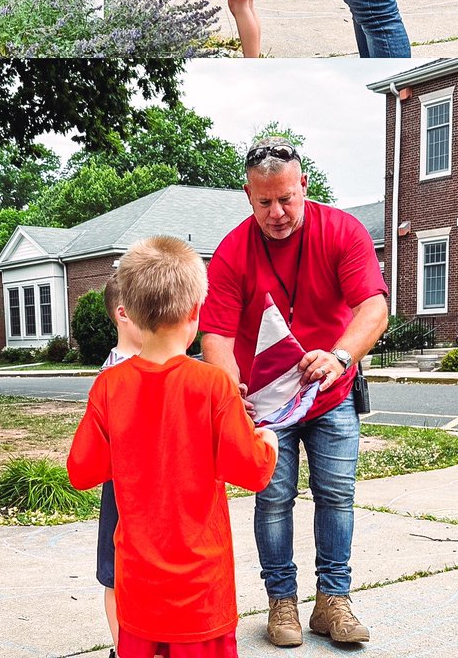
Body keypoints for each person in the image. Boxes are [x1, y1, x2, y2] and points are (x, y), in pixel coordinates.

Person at [200, 137, 389, 647]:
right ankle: (281, 602)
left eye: (286, 198)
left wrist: (340, 356)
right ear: (248, 196)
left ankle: (333, 601)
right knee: (274, 499)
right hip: (266, 405)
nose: (277, 212)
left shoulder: (343, 231)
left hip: (331, 392)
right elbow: (214, 333)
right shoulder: (232, 251)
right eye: (265, 202)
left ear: (303, 184)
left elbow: (373, 307)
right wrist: (226, 386)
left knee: (337, 496)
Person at [68, 236, 278, 658]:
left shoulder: (110, 386)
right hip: (202, 590)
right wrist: (267, 441)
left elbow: (82, 471)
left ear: (129, 312)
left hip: (139, 587)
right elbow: (252, 472)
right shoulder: (213, 385)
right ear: (195, 311)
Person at [94, 268, 145, 656]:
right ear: (125, 313)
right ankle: (122, 649)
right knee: (116, 576)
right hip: (123, 490)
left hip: (158, 493)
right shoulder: (113, 374)